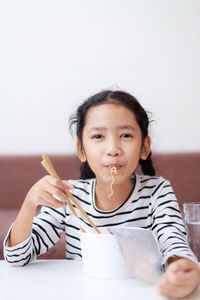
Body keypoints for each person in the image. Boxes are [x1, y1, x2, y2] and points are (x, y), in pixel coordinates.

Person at [4, 90, 200, 298]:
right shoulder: (69, 196)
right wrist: (30, 203)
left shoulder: (157, 191)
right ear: (81, 150)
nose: (113, 149)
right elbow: (17, 256)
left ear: (144, 147)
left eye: (125, 135)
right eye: (98, 136)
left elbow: (174, 243)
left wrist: (183, 270)